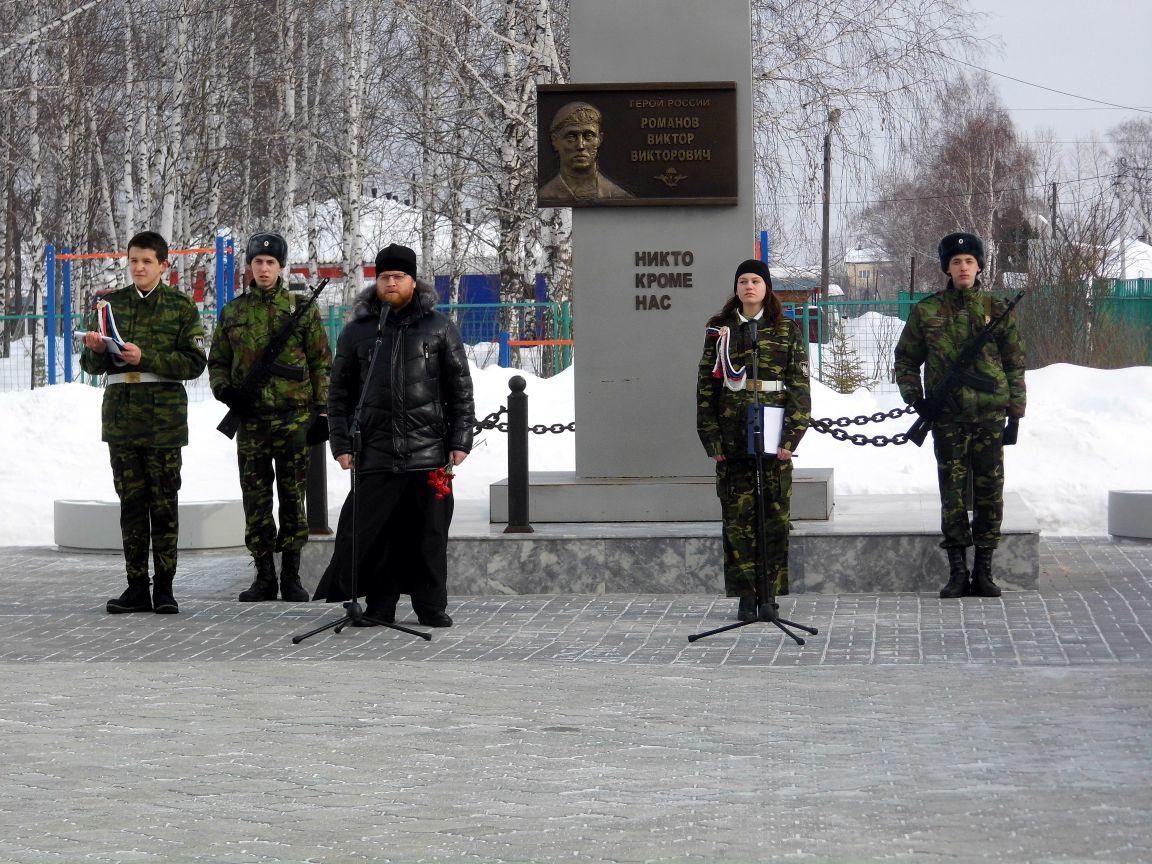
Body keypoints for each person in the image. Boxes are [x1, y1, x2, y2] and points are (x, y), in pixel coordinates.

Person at [314, 243, 475, 627]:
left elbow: (460, 388)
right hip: (375, 449)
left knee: (428, 534)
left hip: (428, 450)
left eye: (398, 276)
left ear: (412, 280)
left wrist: (459, 439)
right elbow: (339, 394)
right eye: (384, 276)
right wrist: (340, 443)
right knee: (378, 532)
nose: (391, 282)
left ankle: (430, 605)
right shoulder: (359, 331)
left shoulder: (439, 327)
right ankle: (380, 606)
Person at [80, 231, 208, 614]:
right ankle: (136, 585)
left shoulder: (181, 307)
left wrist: (146, 357)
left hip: (164, 420)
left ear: (163, 265)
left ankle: (165, 587)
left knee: (164, 504)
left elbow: (194, 362)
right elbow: (91, 367)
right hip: (122, 417)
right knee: (131, 504)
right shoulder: (110, 305)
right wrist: (97, 351)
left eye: (147, 261)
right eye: (133, 260)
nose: (138, 267)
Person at [894, 232, 1027, 598]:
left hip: (988, 416)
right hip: (948, 417)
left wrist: (1016, 411)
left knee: (989, 492)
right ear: (947, 268)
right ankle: (957, 572)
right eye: (956, 262)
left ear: (980, 266)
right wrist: (917, 399)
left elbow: (1015, 363)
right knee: (952, 494)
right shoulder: (928, 310)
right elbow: (905, 358)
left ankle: (984, 571)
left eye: (969, 261)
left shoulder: (997, 309)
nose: (963, 267)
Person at [208, 232, 332, 602]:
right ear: (250, 265)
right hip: (251, 421)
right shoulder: (233, 312)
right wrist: (225, 391)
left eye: (271, 263)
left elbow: (320, 363)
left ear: (281, 267)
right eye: (258, 262)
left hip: (294, 419)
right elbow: (217, 362)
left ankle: (291, 576)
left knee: (293, 497)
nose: (263, 269)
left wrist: (322, 411)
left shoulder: (300, 308)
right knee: (256, 499)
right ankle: (264, 575)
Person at [696, 259, 811, 621]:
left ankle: (771, 595)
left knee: (774, 516)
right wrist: (711, 439)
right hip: (733, 436)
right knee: (738, 519)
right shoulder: (720, 330)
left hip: (773, 434)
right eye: (743, 281)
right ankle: (746, 596)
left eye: (755, 281)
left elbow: (800, 387)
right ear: (736, 288)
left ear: (767, 288)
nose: (749, 286)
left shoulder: (786, 329)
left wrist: (792, 437)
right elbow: (706, 387)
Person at [538, 101, 633, 205]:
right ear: (555, 141)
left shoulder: (620, 196)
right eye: (571, 137)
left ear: (599, 140)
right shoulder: (543, 196)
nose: (581, 146)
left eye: (588, 136)